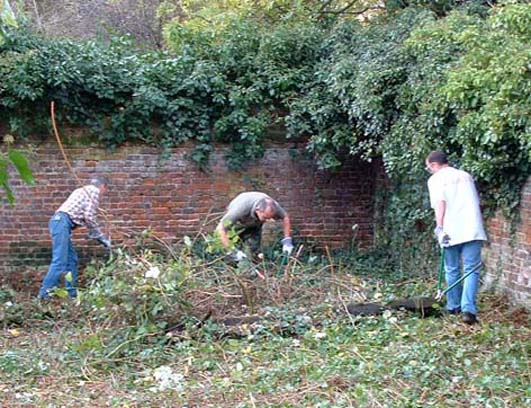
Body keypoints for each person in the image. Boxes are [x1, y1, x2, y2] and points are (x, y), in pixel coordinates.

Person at [425, 151, 487, 324]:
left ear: (433, 164)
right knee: (471, 270)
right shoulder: (466, 176)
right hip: (473, 228)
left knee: (452, 269)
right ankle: (469, 310)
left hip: (451, 231)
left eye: (428, 167)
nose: (429, 171)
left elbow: (440, 203)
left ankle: (454, 306)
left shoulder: (436, 180)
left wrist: (439, 227)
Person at [38, 176, 111, 300]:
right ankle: (44, 294)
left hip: (60, 223)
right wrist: (101, 237)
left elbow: (82, 216)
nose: (103, 194)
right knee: (60, 261)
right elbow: (89, 217)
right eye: (105, 190)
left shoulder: (81, 190)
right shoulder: (93, 191)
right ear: (102, 186)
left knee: (72, 260)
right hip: (61, 222)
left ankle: (72, 294)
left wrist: (93, 233)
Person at [216, 192, 293, 262]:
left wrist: (287, 241)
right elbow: (220, 228)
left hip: (255, 224)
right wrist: (232, 250)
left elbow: (285, 217)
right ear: (258, 210)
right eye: (265, 217)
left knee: (254, 250)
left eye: (270, 218)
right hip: (237, 225)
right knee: (234, 252)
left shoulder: (273, 206)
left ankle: (253, 269)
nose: (269, 221)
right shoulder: (239, 209)